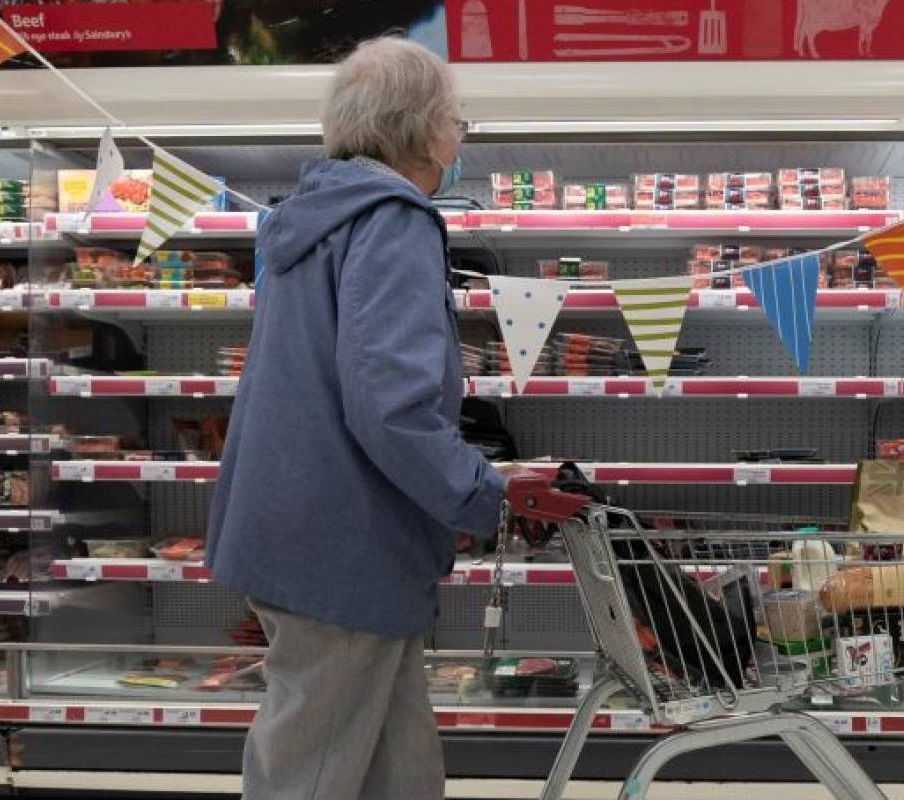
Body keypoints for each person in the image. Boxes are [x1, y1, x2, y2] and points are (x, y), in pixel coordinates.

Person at [205, 37, 507, 800]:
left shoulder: (311, 220)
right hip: (344, 545)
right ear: (423, 131)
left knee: (396, 769)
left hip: (298, 529)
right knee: (306, 778)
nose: (460, 135)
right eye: (456, 120)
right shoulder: (393, 221)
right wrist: (482, 494)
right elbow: (391, 406)